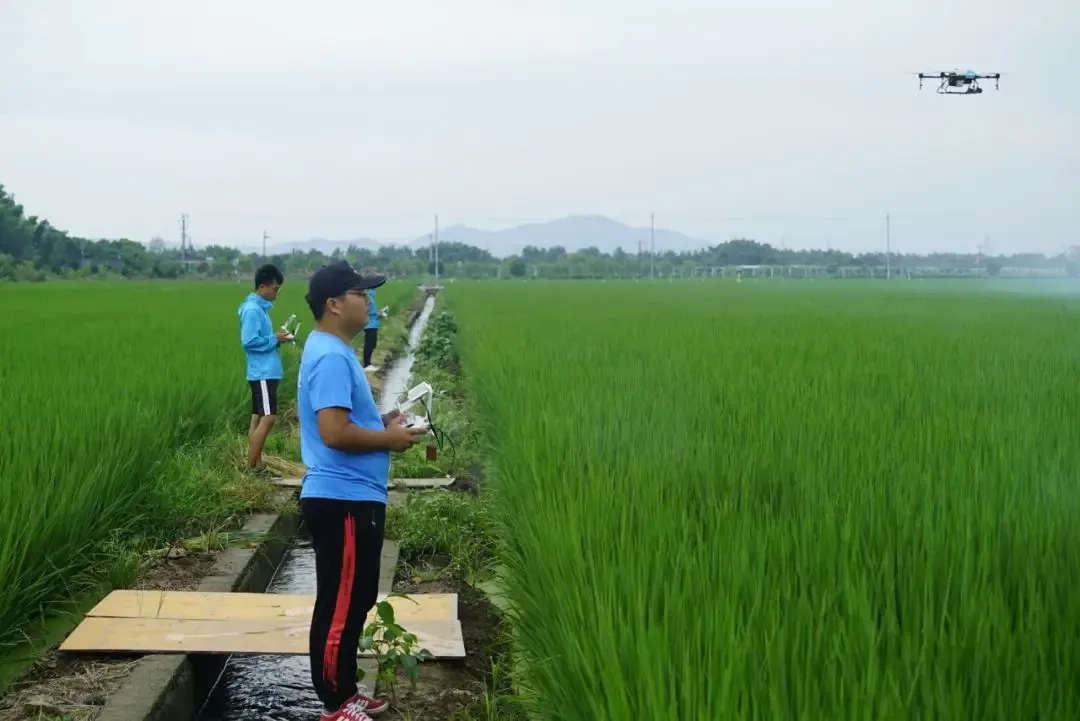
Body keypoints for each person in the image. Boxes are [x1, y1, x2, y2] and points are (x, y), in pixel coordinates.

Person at [297, 260, 427, 720]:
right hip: (343, 498)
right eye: (360, 293)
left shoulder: (333, 350)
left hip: (352, 496)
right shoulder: (332, 356)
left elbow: (347, 421)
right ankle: (336, 703)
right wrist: (389, 440)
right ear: (334, 304)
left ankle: (347, 689)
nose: (369, 300)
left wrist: (383, 422)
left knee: (355, 597)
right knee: (341, 602)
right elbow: (333, 432)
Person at [238, 264, 292, 472]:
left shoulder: (258, 308)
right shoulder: (253, 310)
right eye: (275, 289)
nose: (276, 293)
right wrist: (274, 338)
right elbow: (249, 341)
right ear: (262, 286)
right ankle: (253, 466)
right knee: (268, 418)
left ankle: (255, 463)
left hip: (263, 371)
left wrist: (276, 339)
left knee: (258, 416)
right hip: (263, 372)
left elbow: (261, 339)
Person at [361, 268, 388, 371]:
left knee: (372, 344)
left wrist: (378, 313)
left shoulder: (371, 295)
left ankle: (368, 363)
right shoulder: (367, 296)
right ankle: (366, 364)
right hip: (370, 324)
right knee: (369, 344)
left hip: (373, 323)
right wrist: (378, 313)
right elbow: (366, 310)